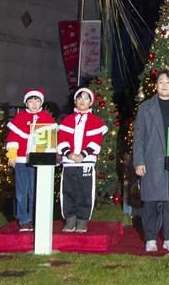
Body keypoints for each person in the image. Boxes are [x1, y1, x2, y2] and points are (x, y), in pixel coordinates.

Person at [133, 68, 169, 252]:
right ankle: (150, 238)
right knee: (150, 200)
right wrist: (139, 161)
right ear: (156, 86)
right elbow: (139, 136)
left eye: (168, 82)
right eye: (160, 82)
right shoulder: (145, 107)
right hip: (152, 159)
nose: (164, 86)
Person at [57, 87, 107, 234]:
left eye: (86, 98)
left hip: (86, 163)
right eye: (80, 98)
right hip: (69, 163)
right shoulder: (67, 120)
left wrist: (83, 155)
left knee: (84, 192)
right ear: (75, 101)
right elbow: (62, 139)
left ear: (91, 102)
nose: (82, 101)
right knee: (68, 191)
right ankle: (70, 219)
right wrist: (69, 154)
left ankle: (82, 220)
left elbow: (95, 141)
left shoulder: (95, 121)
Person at [5, 88, 54, 232]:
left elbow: (50, 141)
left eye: (37, 101)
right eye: (30, 101)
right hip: (21, 161)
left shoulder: (47, 118)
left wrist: (49, 157)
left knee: (35, 192)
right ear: (26, 103)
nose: (33, 104)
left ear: (41, 103)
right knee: (21, 193)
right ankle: (24, 219)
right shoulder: (19, 119)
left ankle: (35, 218)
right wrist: (12, 156)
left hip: (39, 162)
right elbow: (13, 139)